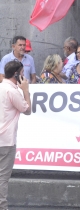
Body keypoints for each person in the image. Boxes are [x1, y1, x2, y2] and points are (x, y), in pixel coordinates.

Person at [0, 60, 31, 209]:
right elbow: (27, 110)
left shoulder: (2, 87)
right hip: (5, 141)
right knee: (2, 178)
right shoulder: (12, 91)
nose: (24, 77)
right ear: (16, 74)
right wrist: (25, 90)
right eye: (23, 73)